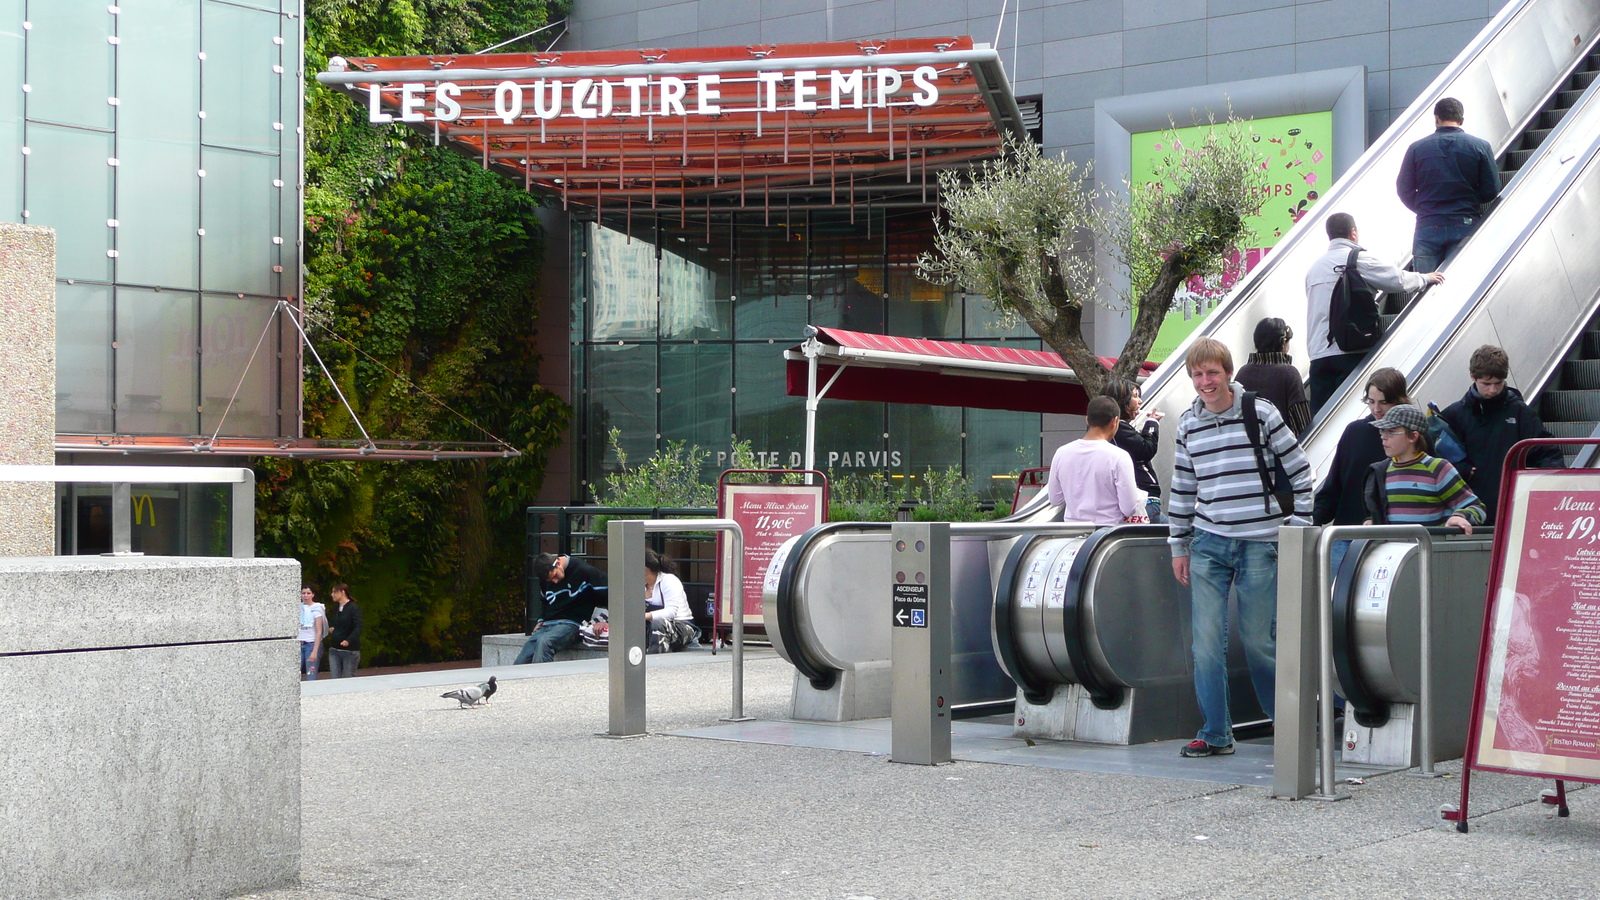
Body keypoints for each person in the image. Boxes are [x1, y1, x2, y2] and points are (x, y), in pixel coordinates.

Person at [1169, 337, 1314, 758]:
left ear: (1228, 373)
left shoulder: (1260, 411)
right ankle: (1216, 731)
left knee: (1259, 640)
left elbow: (1300, 468)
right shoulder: (1187, 424)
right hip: (1208, 542)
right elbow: (1182, 486)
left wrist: (1300, 523)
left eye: (1212, 372)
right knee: (1206, 644)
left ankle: (1287, 728)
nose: (1205, 381)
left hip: (1259, 542)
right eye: (1197, 374)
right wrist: (1178, 543)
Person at [1305, 212, 1442, 414]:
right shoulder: (1357, 259)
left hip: (1318, 356)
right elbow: (1398, 280)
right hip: (1350, 351)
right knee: (1350, 414)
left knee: (1322, 419)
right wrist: (1425, 278)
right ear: (1353, 233)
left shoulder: (1314, 269)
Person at [1438, 344, 1564, 523]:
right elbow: (1437, 461)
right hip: (1469, 512)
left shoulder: (1521, 413)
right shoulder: (1454, 415)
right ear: (1473, 377)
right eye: (1486, 384)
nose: (1492, 390)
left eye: (1498, 383)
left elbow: (1546, 452)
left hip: (1514, 508)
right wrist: (1461, 469)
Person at [1315, 367, 1411, 574]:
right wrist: (1313, 518)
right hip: (1348, 533)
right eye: (1371, 401)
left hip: (1394, 537)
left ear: (1400, 400)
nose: (1376, 408)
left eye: (1384, 402)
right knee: (1337, 600)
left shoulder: (1413, 436)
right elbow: (1335, 484)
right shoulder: (1355, 431)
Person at [1396, 97, 1501, 273]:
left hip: (1427, 225)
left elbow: (1403, 188)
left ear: (1436, 118)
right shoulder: (1480, 146)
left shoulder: (1416, 148)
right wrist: (1471, 202)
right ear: (1461, 120)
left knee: (1424, 287)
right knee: (1461, 284)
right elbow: (1492, 189)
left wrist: (1424, 207)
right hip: (1465, 222)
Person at [1363, 404, 1486, 531]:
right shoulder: (1382, 471)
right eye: (1382, 430)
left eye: (1391, 431)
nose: (1383, 436)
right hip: (1394, 549)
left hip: (1429, 549)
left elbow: (1476, 507)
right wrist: (1372, 521)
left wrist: (1460, 517)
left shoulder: (1437, 469)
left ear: (1413, 436)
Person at [1046, 396, 1139, 527]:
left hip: (1071, 532)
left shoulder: (1062, 453)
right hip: (1107, 536)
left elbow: (1055, 500)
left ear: (1087, 420)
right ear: (1115, 421)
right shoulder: (1119, 457)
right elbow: (1129, 508)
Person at [515, 552, 610, 664]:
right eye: (551, 580)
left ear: (558, 563)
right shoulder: (545, 579)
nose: (555, 581)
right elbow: (545, 602)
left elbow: (614, 595)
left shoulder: (584, 571)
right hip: (548, 625)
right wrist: (541, 619)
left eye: (555, 576)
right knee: (523, 657)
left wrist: (607, 621)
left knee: (544, 642)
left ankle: (541, 680)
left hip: (571, 624)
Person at [1100, 377, 1166, 523]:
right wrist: (1152, 423)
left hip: (1139, 502)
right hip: (1144, 501)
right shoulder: (1119, 429)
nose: (1140, 402)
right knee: (1180, 539)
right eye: (1135, 396)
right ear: (1122, 400)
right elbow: (1145, 450)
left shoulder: (1117, 430)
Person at [1235, 317, 1311, 436]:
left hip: (1251, 448)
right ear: (1283, 343)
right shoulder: (1289, 373)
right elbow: (1302, 424)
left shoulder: (1242, 373)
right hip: (1282, 447)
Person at [644, 549, 698, 654]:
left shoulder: (669, 580)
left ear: (645, 569)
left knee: (658, 624)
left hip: (681, 626)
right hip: (650, 625)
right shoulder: (639, 585)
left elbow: (671, 612)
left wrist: (644, 616)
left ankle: (656, 660)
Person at [326, 583, 363, 678]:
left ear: (342, 592)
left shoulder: (353, 608)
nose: (332, 594)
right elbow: (335, 623)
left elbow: (358, 627)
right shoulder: (336, 608)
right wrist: (332, 628)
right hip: (334, 650)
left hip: (349, 651)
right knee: (335, 679)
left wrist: (348, 640)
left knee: (348, 678)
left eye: (334, 592)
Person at [298, 586, 327, 681]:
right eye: (304, 593)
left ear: (313, 595)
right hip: (299, 643)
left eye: (308, 593)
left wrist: (314, 651)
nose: (306, 595)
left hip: (311, 644)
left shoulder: (317, 609)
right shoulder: (298, 608)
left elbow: (319, 631)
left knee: (311, 674)